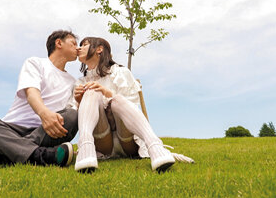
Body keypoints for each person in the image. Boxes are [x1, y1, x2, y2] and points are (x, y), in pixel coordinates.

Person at [0, 30, 80, 167]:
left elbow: (72, 110)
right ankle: (40, 155)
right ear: (59, 43)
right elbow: (31, 92)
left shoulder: (73, 82)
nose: (77, 48)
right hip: (8, 130)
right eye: (73, 43)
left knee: (72, 116)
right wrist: (44, 114)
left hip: (45, 132)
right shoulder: (35, 63)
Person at [72, 36, 193, 173]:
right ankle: (85, 148)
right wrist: (80, 101)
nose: (79, 48)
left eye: (84, 44)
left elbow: (131, 105)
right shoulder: (80, 82)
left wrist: (107, 93)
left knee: (117, 99)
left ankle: (155, 146)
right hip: (102, 142)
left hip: (127, 140)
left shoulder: (120, 72)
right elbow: (76, 116)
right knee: (91, 92)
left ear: (99, 49)